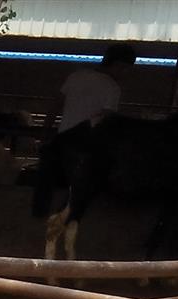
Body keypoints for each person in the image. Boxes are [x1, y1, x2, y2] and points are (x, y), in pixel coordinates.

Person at [33, 43, 137, 220]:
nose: (126, 74)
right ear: (118, 65)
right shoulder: (112, 88)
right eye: (126, 69)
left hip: (61, 142)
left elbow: (55, 105)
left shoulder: (76, 76)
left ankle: (39, 211)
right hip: (86, 148)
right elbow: (106, 121)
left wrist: (45, 132)